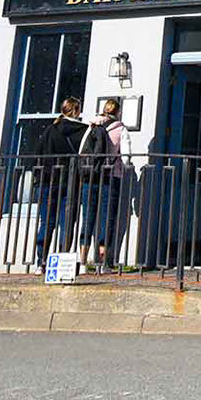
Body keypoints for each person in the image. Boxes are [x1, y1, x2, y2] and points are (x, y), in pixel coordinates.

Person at [27, 97, 86, 265]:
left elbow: (38, 154)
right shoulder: (83, 131)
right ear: (76, 111)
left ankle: (41, 261)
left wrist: (38, 177)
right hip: (70, 182)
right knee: (66, 223)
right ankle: (62, 262)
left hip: (48, 180)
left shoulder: (51, 130)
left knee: (46, 222)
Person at [78, 97, 135, 271]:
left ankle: (82, 263)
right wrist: (128, 167)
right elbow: (126, 158)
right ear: (118, 112)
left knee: (87, 218)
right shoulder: (121, 129)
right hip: (110, 177)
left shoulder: (92, 126)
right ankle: (102, 264)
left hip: (90, 177)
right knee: (106, 218)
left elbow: (82, 150)